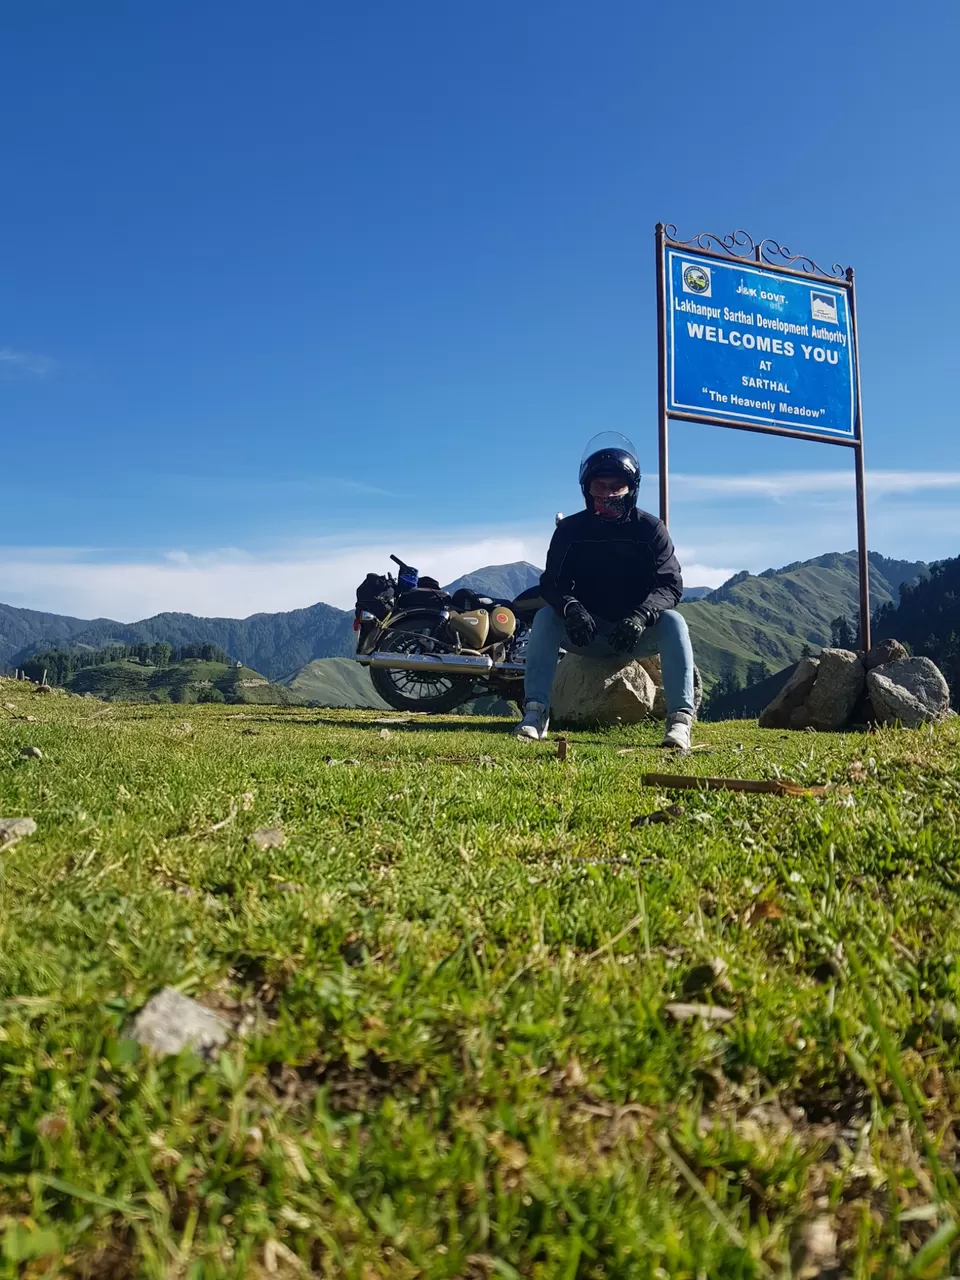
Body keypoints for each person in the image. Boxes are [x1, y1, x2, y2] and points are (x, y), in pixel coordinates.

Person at [514, 432, 696, 749]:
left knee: (674, 623)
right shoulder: (570, 530)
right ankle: (535, 714)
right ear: (587, 489)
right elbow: (552, 583)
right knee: (544, 618)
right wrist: (571, 609)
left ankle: (680, 721)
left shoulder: (650, 529)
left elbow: (671, 584)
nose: (608, 494)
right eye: (600, 486)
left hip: (637, 633)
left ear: (632, 489)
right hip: (586, 634)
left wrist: (641, 616)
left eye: (616, 487)